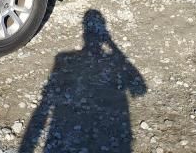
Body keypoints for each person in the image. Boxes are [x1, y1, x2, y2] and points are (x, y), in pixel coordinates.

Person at [19, 9, 146, 152]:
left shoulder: (63, 58)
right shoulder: (65, 58)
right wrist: (111, 44)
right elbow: (140, 89)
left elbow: (45, 102)